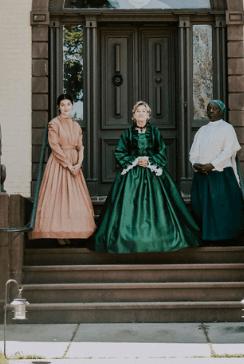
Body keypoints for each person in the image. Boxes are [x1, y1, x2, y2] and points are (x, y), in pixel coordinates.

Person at [88, 101, 201, 253]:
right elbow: (120, 152)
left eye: (144, 111)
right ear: (133, 116)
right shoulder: (127, 134)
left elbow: (161, 151)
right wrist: (135, 160)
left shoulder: (155, 132)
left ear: (148, 115)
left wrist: (149, 160)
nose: (141, 114)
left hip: (152, 172)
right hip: (132, 174)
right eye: (138, 111)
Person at [29, 93, 96, 241]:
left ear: (72, 106)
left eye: (68, 104)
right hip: (59, 164)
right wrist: (68, 165)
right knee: (58, 198)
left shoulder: (76, 125)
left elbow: (80, 147)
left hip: (75, 165)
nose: (66, 108)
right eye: (62, 105)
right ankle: (59, 234)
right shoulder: (54, 123)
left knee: (74, 199)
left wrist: (78, 164)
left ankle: (72, 232)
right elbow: (55, 146)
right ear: (58, 107)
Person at [189, 100, 244, 242]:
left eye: (215, 108)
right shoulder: (202, 130)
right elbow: (193, 151)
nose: (211, 111)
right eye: (209, 108)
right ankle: (206, 236)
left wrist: (212, 164)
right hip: (202, 174)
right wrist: (195, 164)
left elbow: (228, 151)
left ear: (222, 111)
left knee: (221, 207)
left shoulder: (227, 128)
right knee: (201, 206)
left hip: (220, 175)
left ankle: (224, 237)